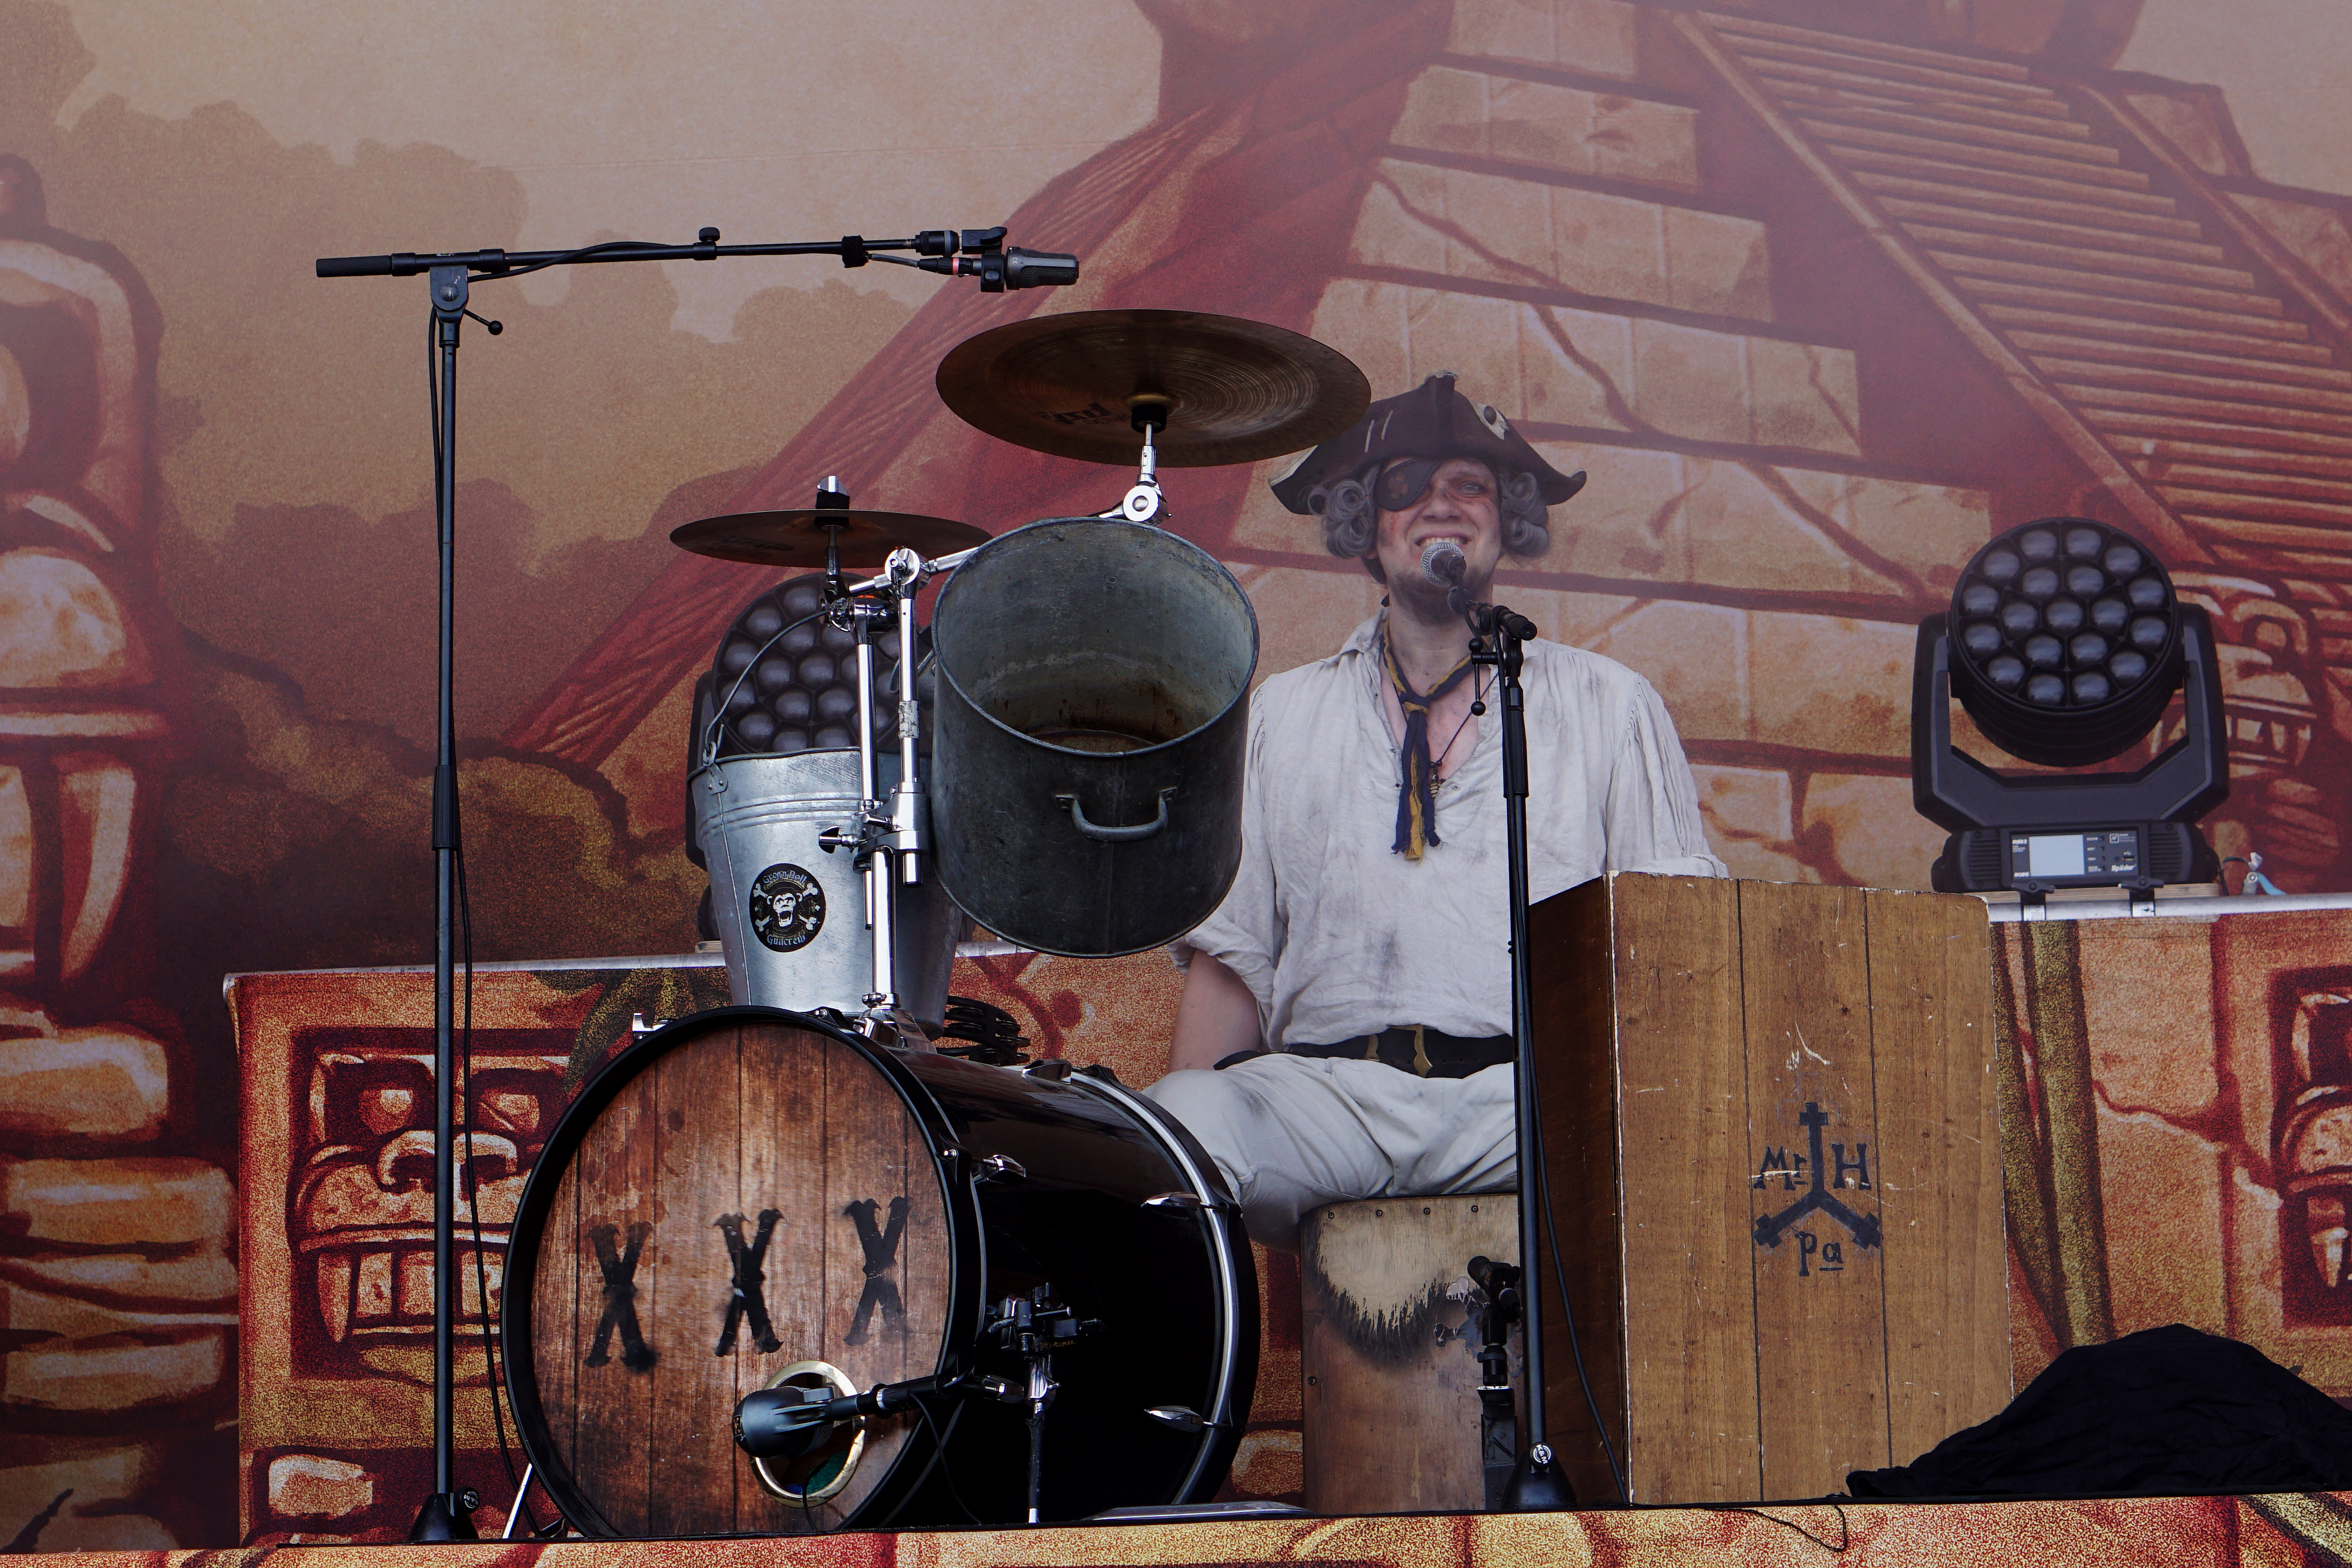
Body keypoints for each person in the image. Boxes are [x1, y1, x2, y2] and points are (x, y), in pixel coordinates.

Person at [1144, 373, 1727, 1249]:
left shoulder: (1612, 703)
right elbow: (1234, 963)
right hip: (1334, 1103)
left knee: (1684, 1125)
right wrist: (1189, 1145)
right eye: (1405, 484)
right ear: (1363, 524)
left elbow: (1678, 953)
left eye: (1470, 485)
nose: (1440, 504)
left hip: (1531, 1100)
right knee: (1180, 1124)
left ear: (1508, 517)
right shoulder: (1283, 715)